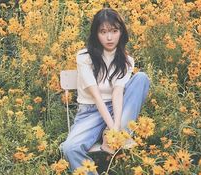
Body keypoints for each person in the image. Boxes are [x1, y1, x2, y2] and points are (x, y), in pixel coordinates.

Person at [62, 8, 150, 174]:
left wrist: (114, 128)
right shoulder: (84, 57)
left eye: (114, 31)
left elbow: (117, 93)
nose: (109, 38)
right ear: (96, 34)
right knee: (70, 148)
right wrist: (113, 128)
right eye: (103, 32)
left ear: (121, 32)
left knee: (141, 78)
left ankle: (111, 136)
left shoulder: (126, 61)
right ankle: (114, 138)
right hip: (91, 112)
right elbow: (96, 96)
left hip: (118, 109)